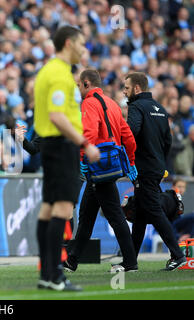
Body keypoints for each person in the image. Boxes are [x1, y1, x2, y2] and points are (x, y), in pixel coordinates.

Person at [33, 26, 100, 291]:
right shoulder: (59, 74)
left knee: (48, 210)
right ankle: (55, 275)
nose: (84, 49)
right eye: (81, 44)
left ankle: (46, 274)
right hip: (62, 147)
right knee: (62, 209)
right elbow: (58, 117)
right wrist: (85, 143)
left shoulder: (48, 71)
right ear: (69, 43)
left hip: (51, 145)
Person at [63, 69, 138, 273]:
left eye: (79, 85)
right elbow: (128, 136)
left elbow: (88, 133)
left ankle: (130, 263)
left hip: (98, 167)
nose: (78, 88)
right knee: (86, 214)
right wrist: (130, 162)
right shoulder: (112, 103)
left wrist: (82, 159)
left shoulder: (89, 103)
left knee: (114, 216)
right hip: (112, 164)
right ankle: (72, 260)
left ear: (86, 83)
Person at [124, 72, 187, 271]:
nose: (124, 92)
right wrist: (159, 161)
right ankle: (131, 261)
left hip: (144, 167)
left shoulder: (136, 106)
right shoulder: (160, 108)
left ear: (136, 88)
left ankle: (177, 255)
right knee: (141, 213)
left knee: (152, 209)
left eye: (126, 88)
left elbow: (130, 132)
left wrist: (127, 155)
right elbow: (167, 141)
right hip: (157, 167)